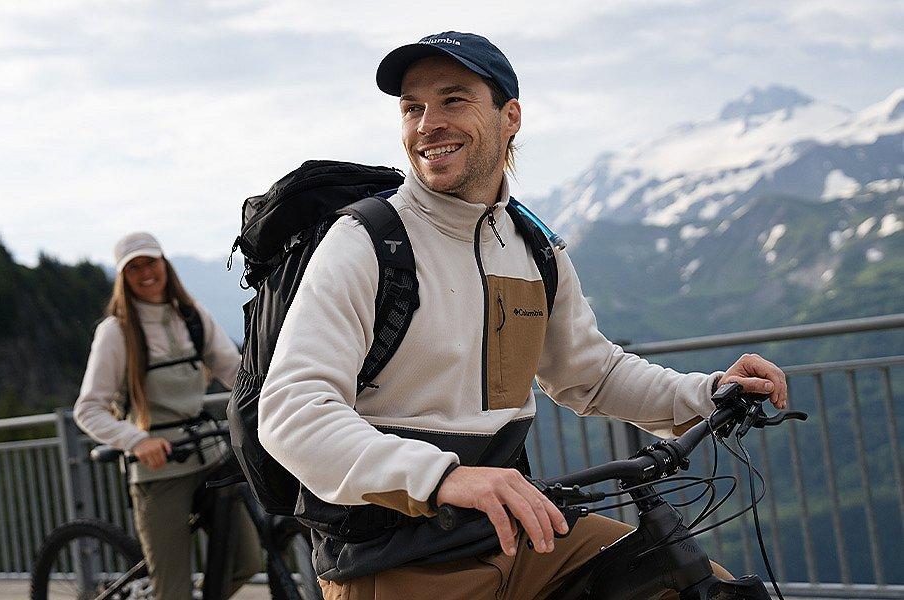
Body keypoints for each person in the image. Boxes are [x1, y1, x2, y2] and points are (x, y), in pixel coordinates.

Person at [258, 32, 790, 599]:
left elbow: (591, 373)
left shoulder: (532, 246)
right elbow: (293, 412)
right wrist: (442, 477)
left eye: (454, 100)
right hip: (395, 556)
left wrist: (709, 392)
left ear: (509, 116)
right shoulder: (366, 240)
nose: (427, 123)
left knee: (691, 587)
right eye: (413, 107)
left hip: (519, 533)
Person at [74, 232, 261, 599]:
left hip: (208, 458)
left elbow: (235, 373)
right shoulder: (116, 332)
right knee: (172, 591)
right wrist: (137, 440)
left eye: (151, 262)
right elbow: (88, 408)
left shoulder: (191, 316)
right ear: (123, 278)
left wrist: (272, 401)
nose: (145, 272)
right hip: (159, 471)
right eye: (134, 267)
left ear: (165, 265)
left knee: (246, 562)